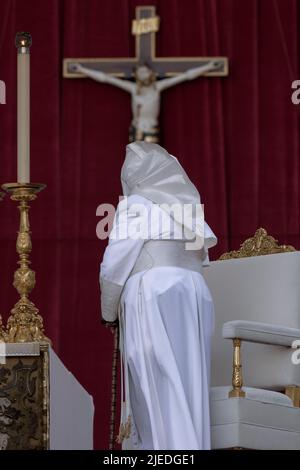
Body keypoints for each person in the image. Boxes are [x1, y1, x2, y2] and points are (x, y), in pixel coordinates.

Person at [100, 141, 217, 450]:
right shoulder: (187, 208)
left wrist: (108, 311)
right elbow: (200, 258)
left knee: (157, 380)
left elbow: (114, 266)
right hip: (193, 293)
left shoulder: (136, 205)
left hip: (153, 293)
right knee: (188, 383)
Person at [72, 61, 220, 143]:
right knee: (136, 163)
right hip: (136, 129)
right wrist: (82, 70)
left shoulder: (157, 87)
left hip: (151, 129)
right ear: (136, 74)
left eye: (146, 71)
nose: (143, 74)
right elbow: (107, 79)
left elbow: (185, 76)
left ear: (151, 73)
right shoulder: (133, 88)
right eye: (140, 71)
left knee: (152, 163)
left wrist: (207, 67)